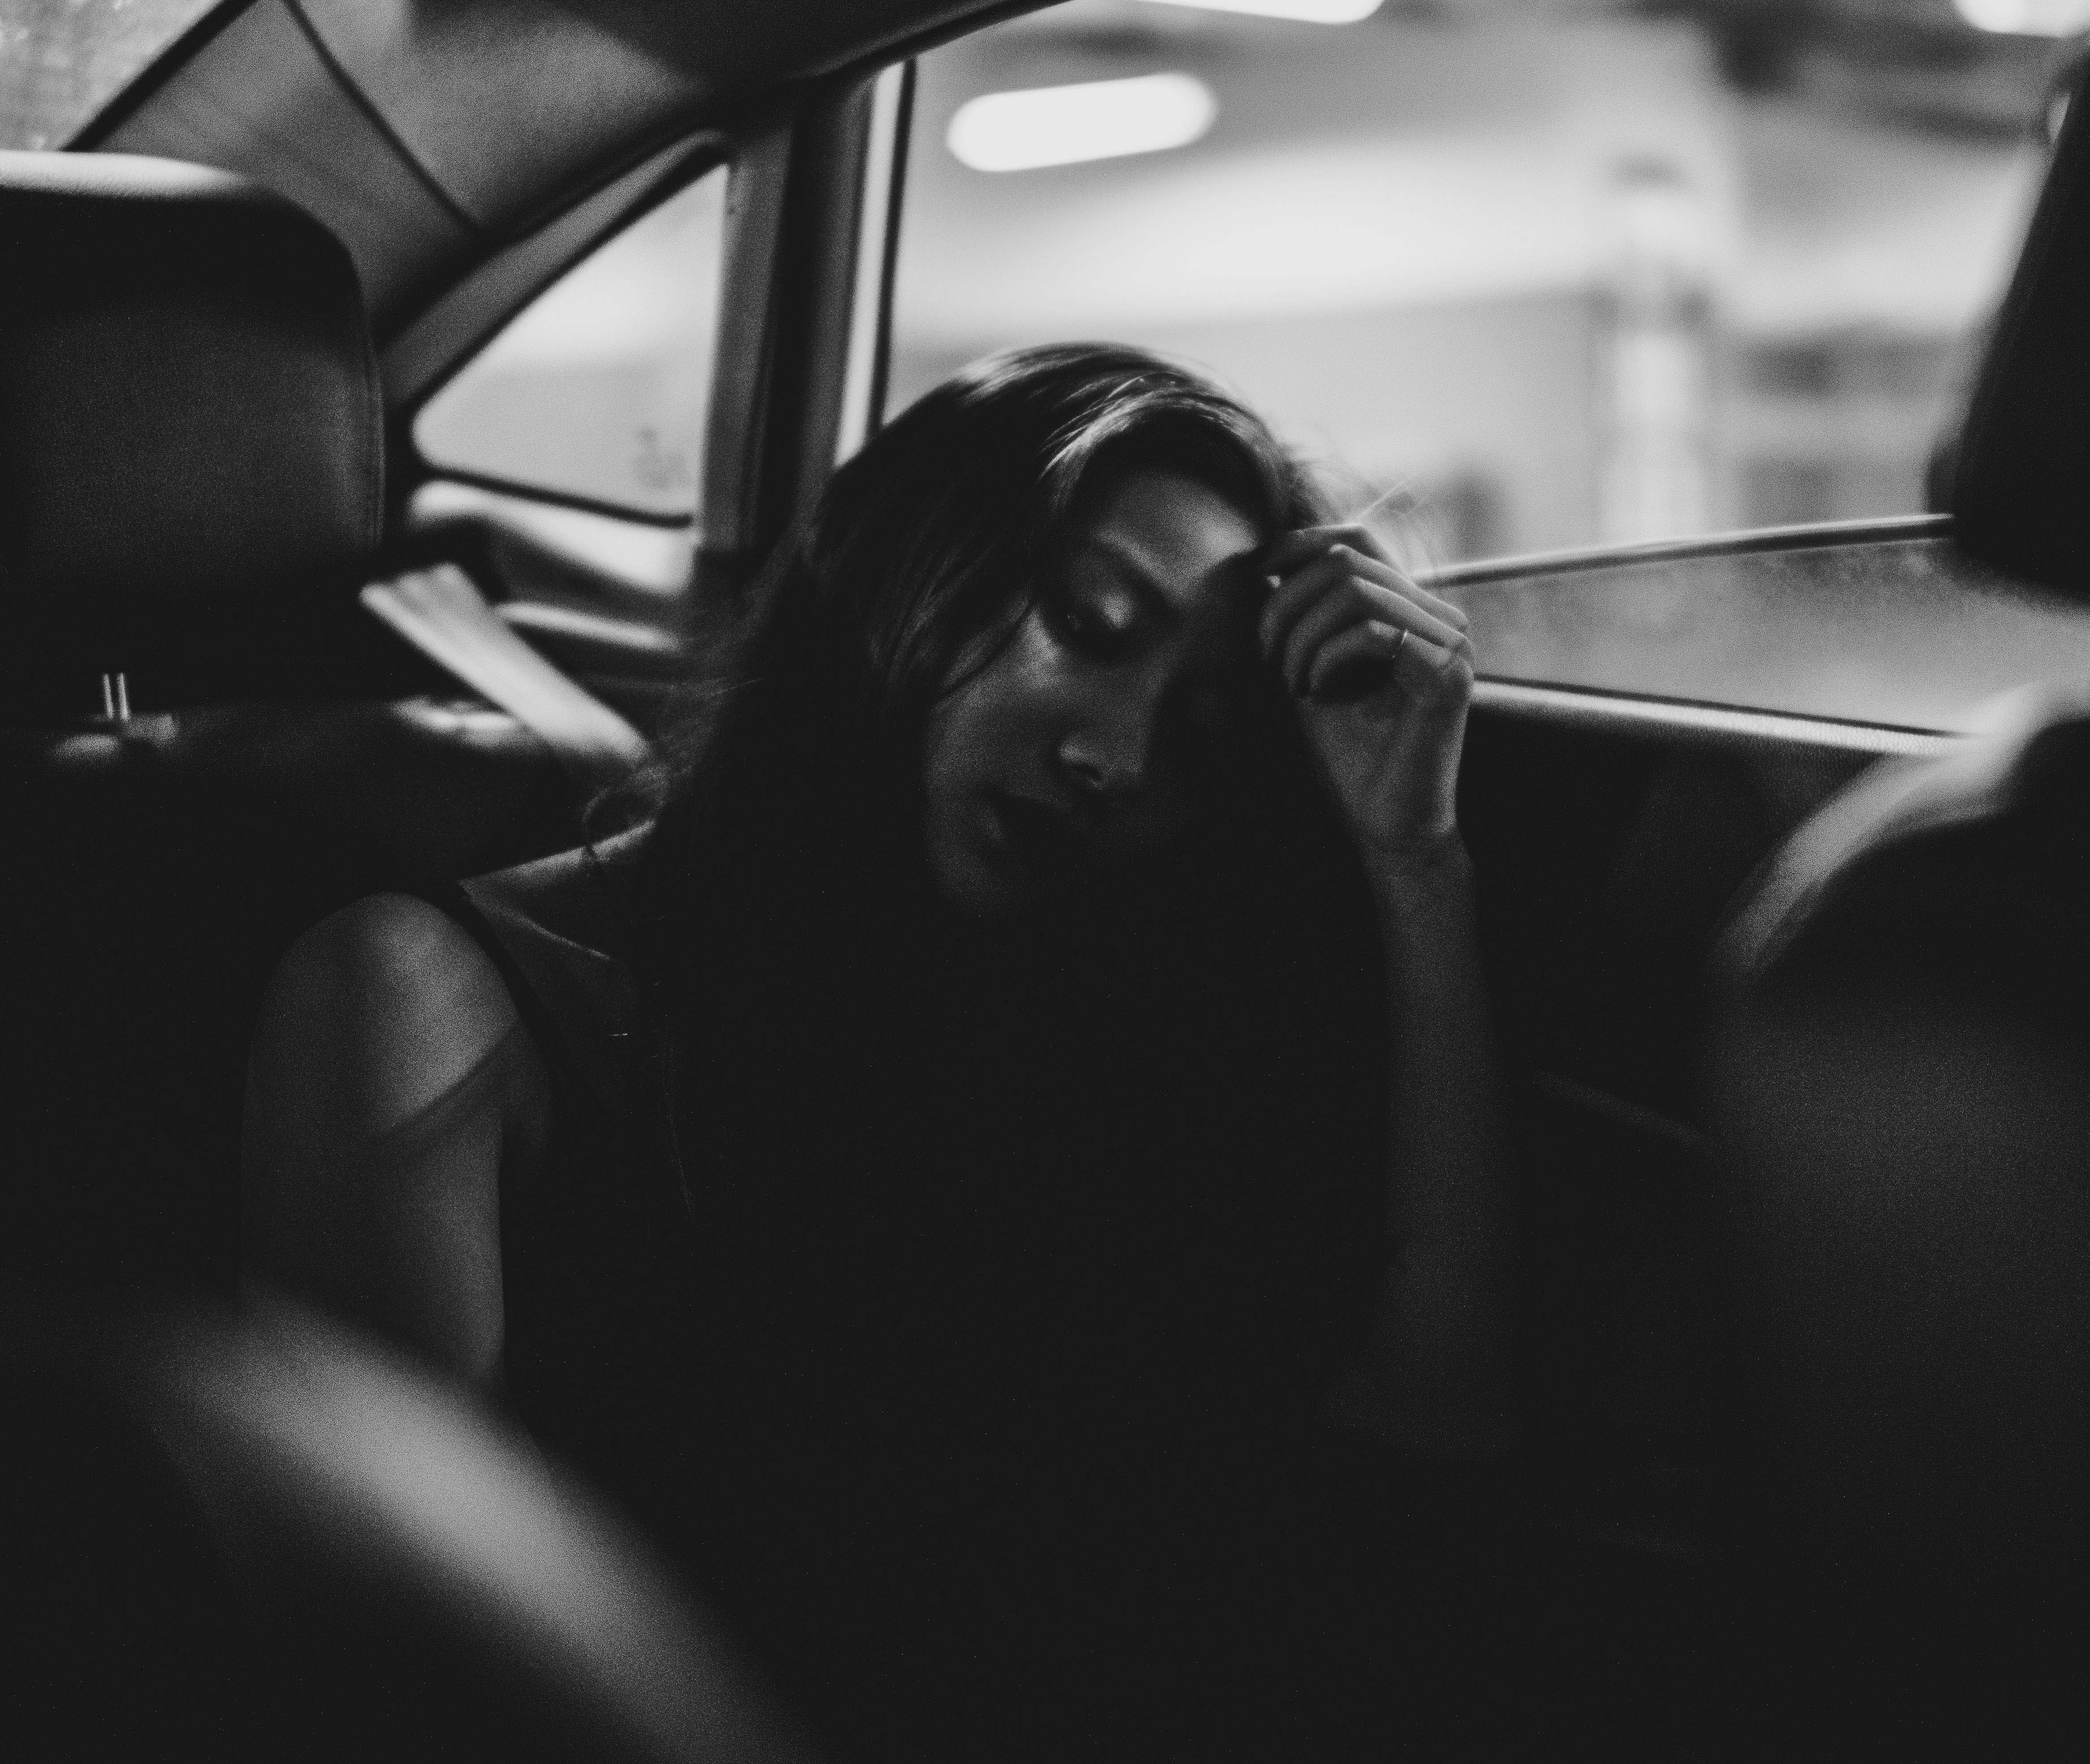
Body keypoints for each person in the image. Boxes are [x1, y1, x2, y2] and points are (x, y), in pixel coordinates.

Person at [243, 343, 1512, 1757]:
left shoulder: (1060, 1026)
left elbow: (1420, 1424)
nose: (1122, 756)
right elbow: (425, 1668)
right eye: (1088, 624)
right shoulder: (427, 998)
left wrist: (1414, 859)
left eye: (1202, 727)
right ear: (894, 570)